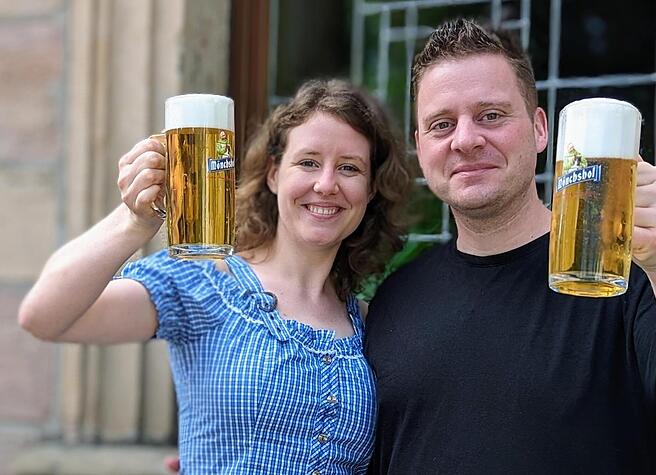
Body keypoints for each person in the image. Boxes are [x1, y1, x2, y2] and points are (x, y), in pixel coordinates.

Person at [363, 19, 656, 475]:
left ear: (541, 130)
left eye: (491, 115)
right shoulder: (396, 298)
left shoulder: (625, 278)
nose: (466, 139)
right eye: (442, 124)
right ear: (420, 147)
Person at [18, 79, 411, 474]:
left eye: (349, 168)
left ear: (371, 189)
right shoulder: (206, 284)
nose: (326, 184)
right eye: (308, 162)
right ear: (274, 175)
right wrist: (134, 222)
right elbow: (45, 315)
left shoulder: (367, 323)